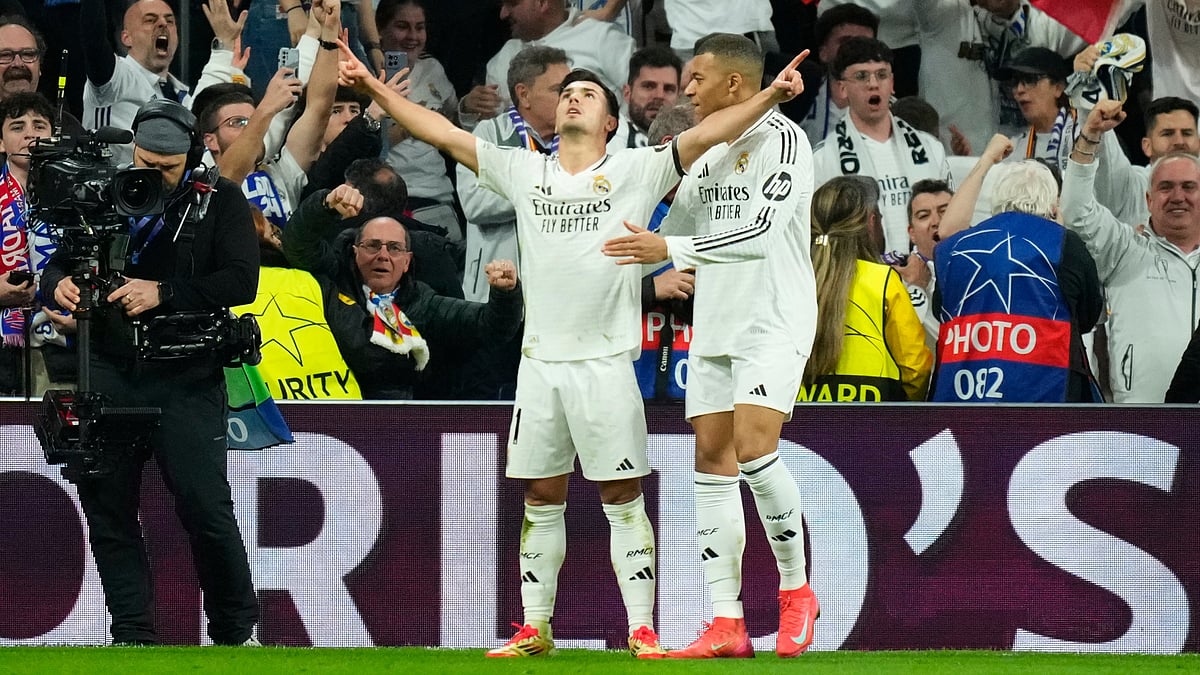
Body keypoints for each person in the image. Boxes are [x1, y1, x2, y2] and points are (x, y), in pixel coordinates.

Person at [336, 34, 808, 659]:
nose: (573, 99)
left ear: (612, 123)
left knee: (624, 495)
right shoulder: (523, 170)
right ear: (552, 116)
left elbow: (703, 137)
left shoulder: (638, 170)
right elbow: (442, 133)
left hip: (610, 361)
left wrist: (772, 96)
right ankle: (538, 625)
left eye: (588, 93)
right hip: (539, 363)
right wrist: (371, 89)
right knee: (539, 496)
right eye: (567, 94)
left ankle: (644, 627)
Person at [602, 33, 819, 659]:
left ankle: (796, 591)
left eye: (697, 78)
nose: (686, 89)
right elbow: (681, 228)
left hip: (773, 317)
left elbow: (754, 234)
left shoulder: (784, 141)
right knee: (711, 462)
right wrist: (646, 230)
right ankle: (727, 621)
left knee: (755, 449)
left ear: (734, 85)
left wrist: (666, 249)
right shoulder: (708, 157)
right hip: (717, 323)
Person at [41, 99, 260, 645]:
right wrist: (58, 286)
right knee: (107, 504)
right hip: (110, 369)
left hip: (186, 373)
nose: (154, 177)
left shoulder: (222, 202)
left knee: (206, 507)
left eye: (166, 169)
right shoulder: (104, 190)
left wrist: (164, 291)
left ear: (193, 154)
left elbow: (241, 283)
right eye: (144, 163)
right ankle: (134, 634)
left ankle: (235, 632)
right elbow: (60, 263)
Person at [282, 184, 522, 400]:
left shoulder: (423, 302)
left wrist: (506, 294)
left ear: (407, 262)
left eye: (394, 248)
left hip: (400, 423)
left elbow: (491, 327)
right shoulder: (334, 279)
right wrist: (325, 205)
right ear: (355, 252)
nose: (383, 255)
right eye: (373, 245)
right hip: (333, 409)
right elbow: (297, 244)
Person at [933, 134, 1104, 402]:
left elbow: (939, 307)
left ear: (996, 200)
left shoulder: (954, 249)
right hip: (1047, 408)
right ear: (1053, 204)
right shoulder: (1063, 244)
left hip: (960, 400)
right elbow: (1088, 314)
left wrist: (987, 159)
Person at [1061, 99, 1200, 403]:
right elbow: (1076, 211)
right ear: (1149, 200)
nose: (1178, 196)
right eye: (1166, 187)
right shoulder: (1125, 250)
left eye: (1189, 187)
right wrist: (1090, 137)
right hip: (1142, 427)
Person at [812, 37, 951, 255]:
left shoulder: (930, 148)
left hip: (926, 274)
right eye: (861, 76)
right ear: (842, 89)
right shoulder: (822, 159)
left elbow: (948, 218)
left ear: (892, 83)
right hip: (862, 278)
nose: (873, 84)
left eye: (881, 75)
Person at [802, 176, 932, 401]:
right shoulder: (883, 280)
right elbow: (915, 368)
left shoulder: (792, 278)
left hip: (798, 419)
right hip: (874, 422)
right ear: (871, 221)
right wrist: (903, 409)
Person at [79, 0, 247, 163]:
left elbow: (202, 110)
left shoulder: (180, 93)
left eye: (170, 21)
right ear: (126, 37)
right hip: (114, 187)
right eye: (150, 20)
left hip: (170, 188)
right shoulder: (116, 79)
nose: (162, 24)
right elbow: (94, 40)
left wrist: (224, 45)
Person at [0, 92, 73, 395]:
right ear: (0, 142)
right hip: (4, 349)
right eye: (17, 126)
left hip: (63, 347)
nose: (30, 132)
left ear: (53, 137)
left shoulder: (78, 196)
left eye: (39, 125)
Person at [459, 0, 634, 125]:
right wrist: (471, 109)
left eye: (512, 4)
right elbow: (491, 133)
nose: (503, 14)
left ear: (542, 3)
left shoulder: (601, 38)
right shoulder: (504, 56)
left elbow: (640, 98)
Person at [377, 0, 464, 238]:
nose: (413, 36)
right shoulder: (366, 73)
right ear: (380, 30)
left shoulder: (432, 69)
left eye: (420, 27)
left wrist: (468, 106)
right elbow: (364, 144)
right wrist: (416, 125)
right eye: (403, 26)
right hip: (388, 200)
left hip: (438, 198)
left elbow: (453, 124)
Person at [1086, 96, 1200, 227]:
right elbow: (1106, 157)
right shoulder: (1132, 186)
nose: (1179, 142)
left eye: (1187, 133)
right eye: (1167, 134)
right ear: (1147, 146)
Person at [619, 46, 682, 149]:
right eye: (649, 86)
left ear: (679, 97)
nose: (659, 96)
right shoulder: (609, 142)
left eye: (668, 89)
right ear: (627, 93)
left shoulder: (689, 144)